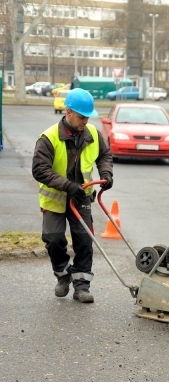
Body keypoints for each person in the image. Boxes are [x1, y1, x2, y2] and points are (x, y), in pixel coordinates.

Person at [32, 88, 113, 304]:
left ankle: (82, 286)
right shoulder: (48, 138)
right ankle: (63, 275)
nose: (85, 121)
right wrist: (68, 186)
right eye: (81, 117)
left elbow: (104, 155)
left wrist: (106, 173)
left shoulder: (92, 133)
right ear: (68, 112)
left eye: (87, 117)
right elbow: (40, 169)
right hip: (54, 199)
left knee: (84, 241)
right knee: (54, 240)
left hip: (81, 198)